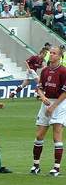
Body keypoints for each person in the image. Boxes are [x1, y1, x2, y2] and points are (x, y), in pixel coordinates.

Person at [31, 46, 66, 176]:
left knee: (56, 135)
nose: (51, 55)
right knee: (39, 135)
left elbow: (65, 92)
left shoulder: (63, 71)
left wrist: (54, 106)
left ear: (59, 56)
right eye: (50, 53)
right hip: (46, 103)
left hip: (60, 104)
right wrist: (43, 97)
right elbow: (39, 87)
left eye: (54, 53)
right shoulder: (45, 71)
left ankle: (56, 167)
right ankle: (36, 165)